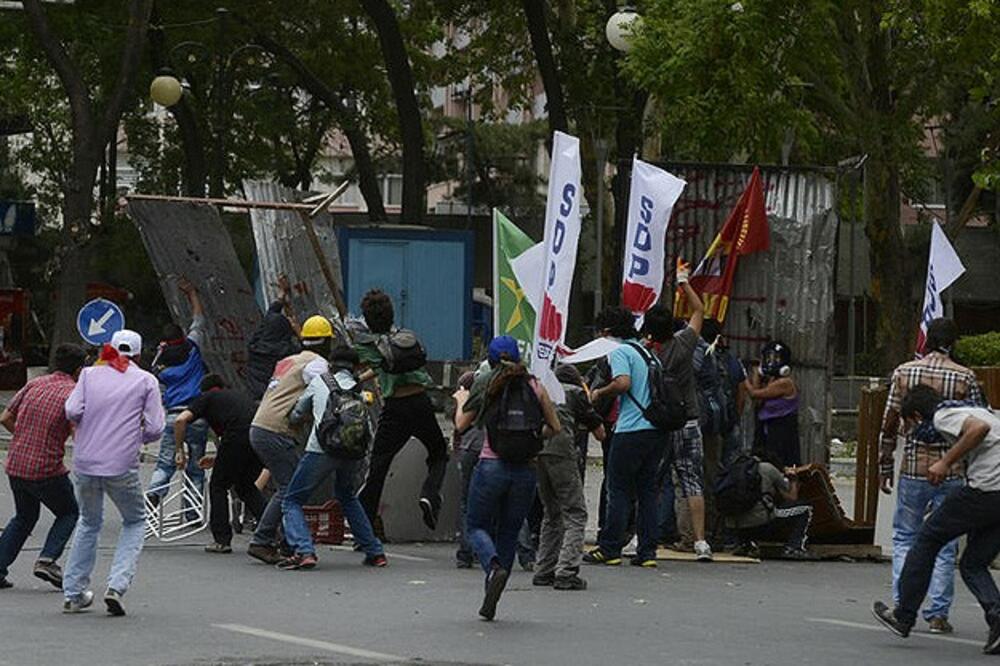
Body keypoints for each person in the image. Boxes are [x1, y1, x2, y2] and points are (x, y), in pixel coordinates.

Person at [872, 385, 1000, 656]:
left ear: (918, 415)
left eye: (910, 423)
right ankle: (998, 619)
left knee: (927, 539)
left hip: (987, 490)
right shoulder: (977, 409)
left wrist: (944, 462)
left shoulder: (944, 415)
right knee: (973, 563)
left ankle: (903, 615)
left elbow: (978, 431)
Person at [877, 317, 984, 635]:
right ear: (953, 342)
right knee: (944, 541)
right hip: (951, 468)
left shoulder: (904, 372)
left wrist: (885, 463)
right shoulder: (966, 376)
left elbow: (889, 421)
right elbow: (979, 421)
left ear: (926, 341)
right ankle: (937, 613)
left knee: (905, 537)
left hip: (913, 467)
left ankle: (903, 604)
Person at [455, 336, 560, 620]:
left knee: (477, 524)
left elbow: (461, 425)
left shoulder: (486, 383)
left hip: (491, 466)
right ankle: (494, 594)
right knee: (510, 533)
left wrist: (461, 400)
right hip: (525, 470)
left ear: (490, 360)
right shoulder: (535, 385)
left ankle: (492, 568)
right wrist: (534, 439)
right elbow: (555, 426)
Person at [62, 330, 165, 616]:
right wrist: (135, 437)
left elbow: (71, 409)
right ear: (140, 355)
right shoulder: (146, 380)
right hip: (121, 464)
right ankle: (116, 586)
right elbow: (156, 427)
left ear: (108, 348)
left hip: (85, 461)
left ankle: (73, 593)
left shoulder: (88, 375)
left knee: (88, 521)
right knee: (135, 520)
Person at [278, 344, 387, 570]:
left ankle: (304, 551)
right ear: (355, 367)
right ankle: (375, 552)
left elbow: (297, 413)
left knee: (292, 499)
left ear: (330, 364)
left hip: (322, 449)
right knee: (347, 495)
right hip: (353, 451)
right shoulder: (358, 388)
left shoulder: (320, 382)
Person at [355, 289, 449, 534]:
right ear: (391, 313)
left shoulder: (369, 344)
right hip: (421, 402)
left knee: (377, 468)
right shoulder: (405, 339)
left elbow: (368, 363)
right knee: (439, 453)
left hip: (395, 408)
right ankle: (429, 494)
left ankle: (365, 530)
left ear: (367, 319)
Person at [583, 303, 669, 568]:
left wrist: (599, 393)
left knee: (618, 489)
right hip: (656, 431)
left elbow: (623, 383)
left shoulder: (620, 351)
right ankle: (647, 552)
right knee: (647, 491)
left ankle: (610, 547)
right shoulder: (647, 352)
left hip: (631, 429)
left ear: (607, 331)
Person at [0, 344, 87, 591]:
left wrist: (24, 438)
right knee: (69, 512)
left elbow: (5, 417)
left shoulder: (35, 384)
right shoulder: (74, 393)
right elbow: (77, 433)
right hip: (45, 468)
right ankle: (47, 559)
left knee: (24, 516)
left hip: (16, 463)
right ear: (79, 369)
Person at [246, 315, 332, 565]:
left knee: (288, 486)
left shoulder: (288, 360)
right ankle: (262, 540)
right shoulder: (317, 364)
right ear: (327, 343)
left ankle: (284, 541)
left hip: (260, 426)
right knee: (290, 490)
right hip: (276, 429)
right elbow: (326, 393)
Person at [643, 264, 713, 561]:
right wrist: (684, 284)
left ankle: (642, 537)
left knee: (651, 482)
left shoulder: (646, 352)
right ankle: (700, 543)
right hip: (688, 420)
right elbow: (699, 311)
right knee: (691, 481)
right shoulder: (684, 343)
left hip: (658, 424)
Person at [172, 374, 266, 554]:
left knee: (218, 486)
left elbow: (180, 420)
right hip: (258, 436)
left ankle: (221, 540)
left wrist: (179, 450)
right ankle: (271, 529)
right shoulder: (238, 397)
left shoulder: (207, 397)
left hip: (236, 438)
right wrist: (217, 459)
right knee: (246, 487)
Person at [533, 364, 605, 591]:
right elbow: (600, 433)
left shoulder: (542, 390)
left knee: (551, 513)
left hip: (538, 452)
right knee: (575, 513)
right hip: (562, 452)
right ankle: (566, 570)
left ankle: (543, 568)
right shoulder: (575, 393)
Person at [148, 277, 209, 509]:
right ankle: (192, 513)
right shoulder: (193, 350)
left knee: (165, 464)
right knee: (196, 467)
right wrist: (192, 294)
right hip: (197, 416)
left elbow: (160, 397)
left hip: (173, 417)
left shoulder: (162, 370)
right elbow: (199, 321)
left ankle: (155, 494)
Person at [724, 452, 813, 559]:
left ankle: (745, 544)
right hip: (760, 523)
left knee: (752, 513)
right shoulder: (768, 468)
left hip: (734, 525)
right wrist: (793, 480)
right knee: (806, 508)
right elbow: (791, 498)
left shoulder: (734, 468)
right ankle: (794, 547)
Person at [247, 275, 301, 401]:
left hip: (255, 402)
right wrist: (298, 332)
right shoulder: (289, 352)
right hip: (277, 403)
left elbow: (267, 320)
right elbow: (310, 354)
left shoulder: (254, 347)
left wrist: (281, 296)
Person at [453, 371, 485, 569]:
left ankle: (465, 552)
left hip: (469, 449)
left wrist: (461, 402)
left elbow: (459, 425)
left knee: (466, 502)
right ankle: (525, 553)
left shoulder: (469, 400)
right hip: (487, 450)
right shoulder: (490, 395)